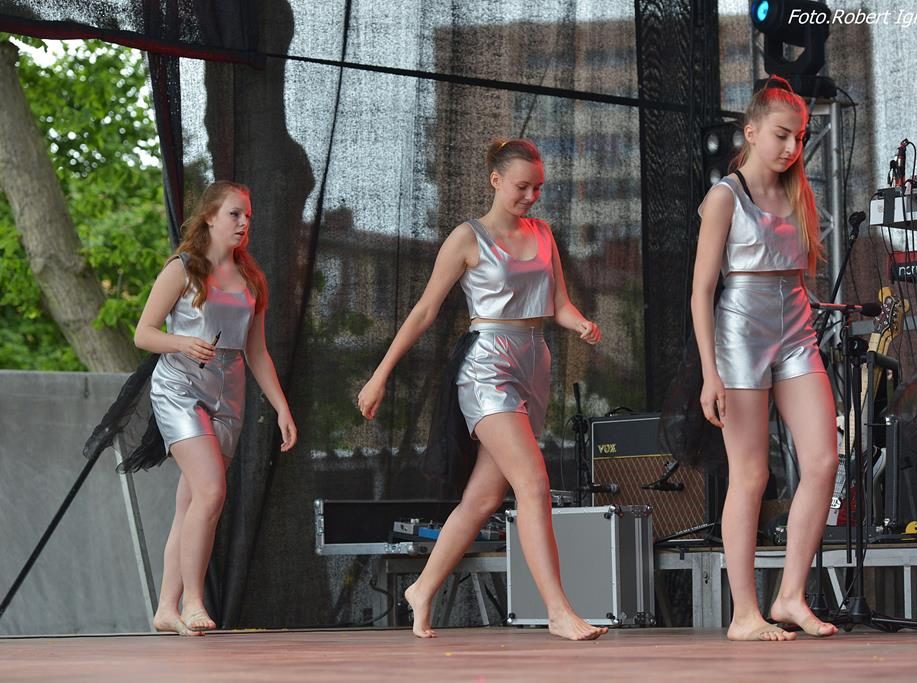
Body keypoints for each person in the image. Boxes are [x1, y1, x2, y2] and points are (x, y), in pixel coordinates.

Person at [357, 138, 606, 641]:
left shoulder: (544, 234)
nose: (531, 196)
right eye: (522, 186)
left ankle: (422, 589)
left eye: (538, 188)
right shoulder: (467, 238)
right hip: (487, 364)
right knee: (532, 484)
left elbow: (558, 303)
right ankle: (558, 610)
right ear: (495, 181)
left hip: (534, 361)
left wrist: (580, 322)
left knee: (483, 497)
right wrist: (380, 374)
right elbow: (425, 311)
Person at [691, 76, 839, 641]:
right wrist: (710, 373)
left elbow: (798, 276)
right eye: (781, 135)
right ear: (750, 132)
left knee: (823, 460)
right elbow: (702, 291)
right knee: (750, 474)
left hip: (796, 330)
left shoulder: (799, 194)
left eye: (799, 137)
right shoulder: (724, 197)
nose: (791, 148)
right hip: (740, 337)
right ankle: (743, 615)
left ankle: (790, 595)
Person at [134, 181, 297, 636]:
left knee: (191, 503)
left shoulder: (251, 278)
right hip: (180, 387)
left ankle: (165, 608)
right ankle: (193, 601)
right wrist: (182, 342)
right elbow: (143, 333)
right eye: (234, 214)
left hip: (230, 393)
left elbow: (257, 352)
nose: (244, 223)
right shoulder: (183, 269)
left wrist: (281, 408)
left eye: (248, 216)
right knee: (210, 491)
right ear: (209, 216)